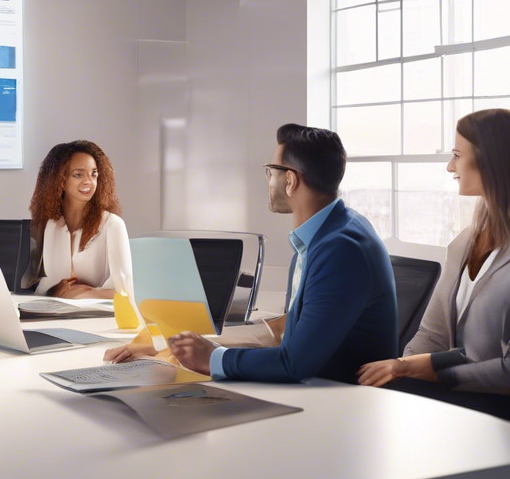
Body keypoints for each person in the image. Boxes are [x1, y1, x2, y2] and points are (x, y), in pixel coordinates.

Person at [112, 124, 398, 383]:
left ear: (291, 180)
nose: (268, 181)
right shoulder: (327, 232)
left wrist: (212, 358)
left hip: (336, 398)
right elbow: (288, 327)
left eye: (271, 172)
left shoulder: (340, 248)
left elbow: (294, 363)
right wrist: (173, 341)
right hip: (317, 386)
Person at [358, 109, 510, 399]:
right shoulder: (464, 242)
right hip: (465, 397)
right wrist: (402, 374)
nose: (449, 167)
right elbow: (433, 335)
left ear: (491, 161)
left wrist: (413, 370)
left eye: (457, 155)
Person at [21, 140, 130, 299]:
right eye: (78, 174)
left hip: (97, 318)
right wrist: (54, 290)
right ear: (59, 180)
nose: (89, 181)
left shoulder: (113, 225)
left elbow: (125, 292)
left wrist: (88, 292)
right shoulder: (47, 225)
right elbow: (29, 288)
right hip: (54, 314)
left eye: (93, 173)